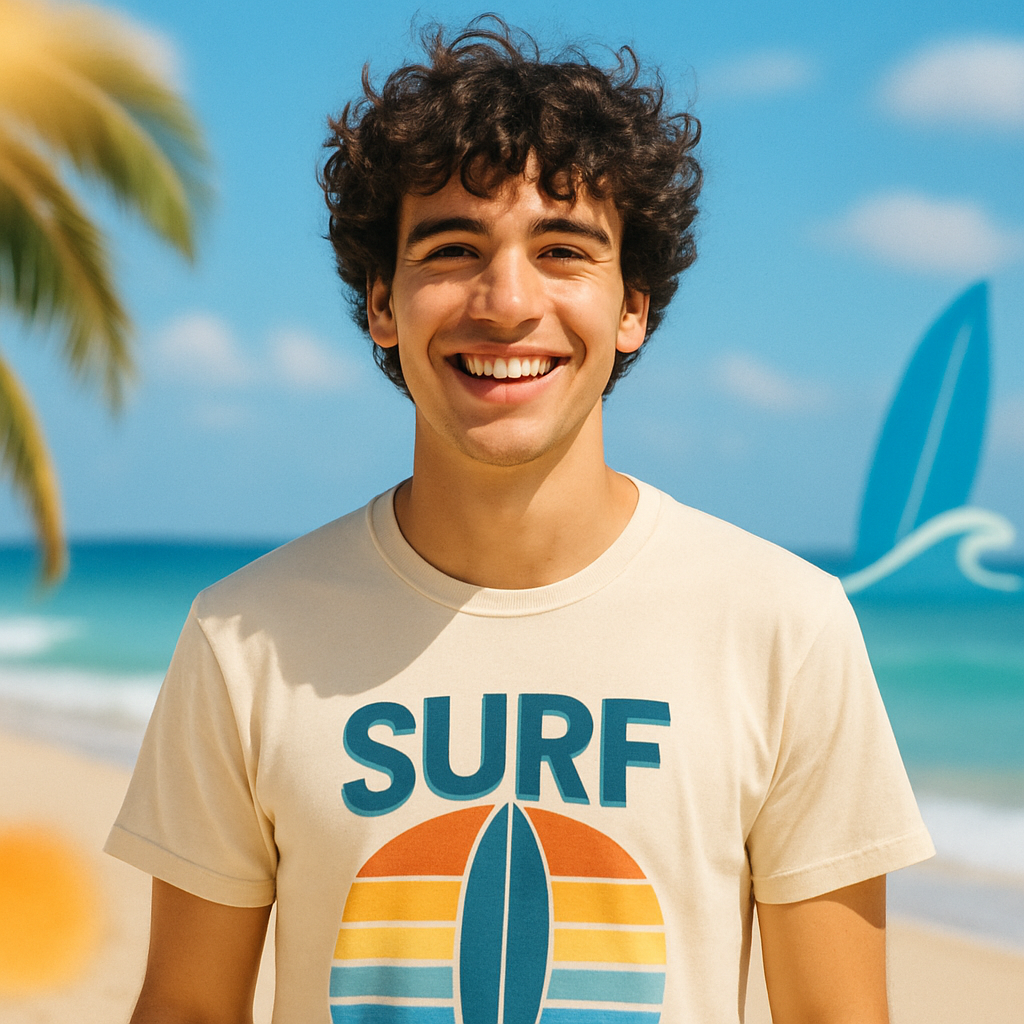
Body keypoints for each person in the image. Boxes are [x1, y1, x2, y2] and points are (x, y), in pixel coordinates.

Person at [107, 18, 934, 1024]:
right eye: (454, 249)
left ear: (630, 308)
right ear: (382, 304)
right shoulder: (244, 639)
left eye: (561, 250)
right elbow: (188, 1006)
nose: (506, 303)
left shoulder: (784, 627)